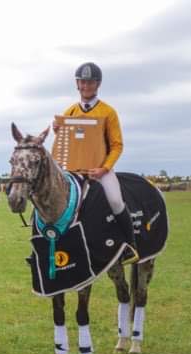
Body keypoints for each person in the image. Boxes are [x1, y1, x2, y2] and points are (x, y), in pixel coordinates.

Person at [53, 62, 137, 264]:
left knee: (116, 200)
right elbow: (67, 141)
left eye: (90, 82)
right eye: (82, 82)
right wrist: (58, 130)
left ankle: (129, 246)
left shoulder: (108, 112)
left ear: (97, 84)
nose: (86, 86)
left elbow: (117, 145)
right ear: (77, 84)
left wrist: (104, 168)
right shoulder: (70, 111)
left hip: (101, 170)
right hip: (75, 171)